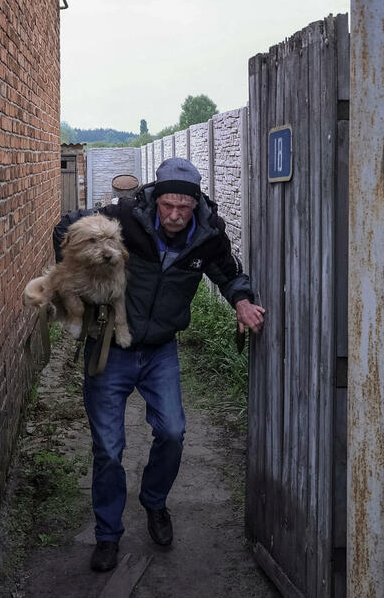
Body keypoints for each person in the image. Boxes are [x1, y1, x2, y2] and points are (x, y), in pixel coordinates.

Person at [52, 157, 265, 572]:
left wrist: (241, 300)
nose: (174, 215)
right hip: (111, 347)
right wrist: (79, 268)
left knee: (172, 431)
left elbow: (229, 273)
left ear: (196, 203)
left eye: (183, 208)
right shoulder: (126, 216)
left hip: (161, 351)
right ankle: (107, 536)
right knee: (109, 449)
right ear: (156, 198)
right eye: (168, 205)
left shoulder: (207, 235)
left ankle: (155, 502)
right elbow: (66, 227)